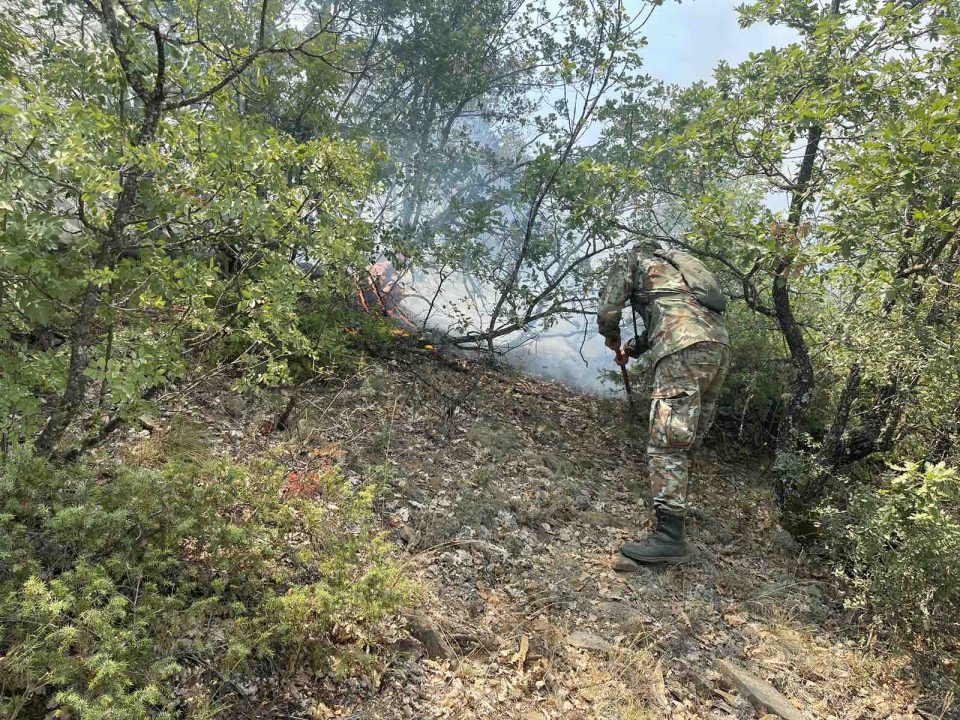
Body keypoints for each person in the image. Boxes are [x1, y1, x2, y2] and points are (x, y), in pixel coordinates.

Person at [597, 243, 731, 564]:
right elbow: (674, 315)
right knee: (688, 439)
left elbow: (609, 307)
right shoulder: (678, 268)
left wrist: (610, 334)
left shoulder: (634, 260)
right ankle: (676, 513)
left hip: (681, 346)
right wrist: (632, 348)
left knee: (668, 442)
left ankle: (670, 538)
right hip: (718, 346)